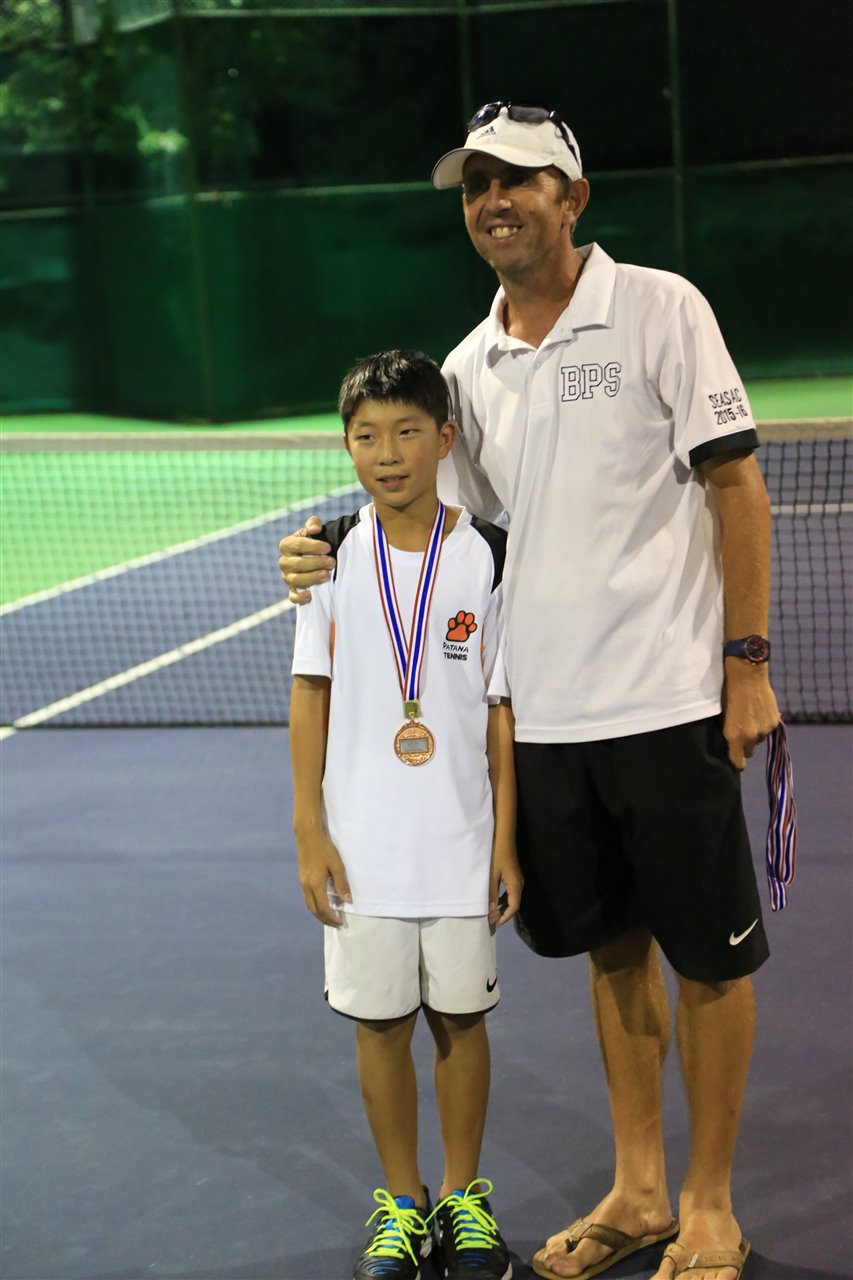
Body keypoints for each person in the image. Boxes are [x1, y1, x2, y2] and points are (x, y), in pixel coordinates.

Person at [281, 106, 780, 1280]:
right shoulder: (468, 367)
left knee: (708, 961)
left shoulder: (661, 308)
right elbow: (425, 509)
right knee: (611, 952)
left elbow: (737, 487)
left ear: (572, 196)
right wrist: (327, 541)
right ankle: (640, 1188)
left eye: (517, 179)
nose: (493, 201)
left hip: (667, 702)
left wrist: (746, 663)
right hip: (546, 721)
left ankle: (708, 1201)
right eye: (475, 186)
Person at [290, 348, 522, 1280]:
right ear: (346, 445)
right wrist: (309, 829)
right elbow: (310, 691)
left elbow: (501, 710)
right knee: (379, 1026)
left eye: (407, 432)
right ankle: (400, 1201)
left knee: (462, 1021)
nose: (386, 454)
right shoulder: (328, 556)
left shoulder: (490, 554)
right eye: (366, 436)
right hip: (362, 851)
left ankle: (463, 1199)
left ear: (445, 438)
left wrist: (506, 841)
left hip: (462, 843)